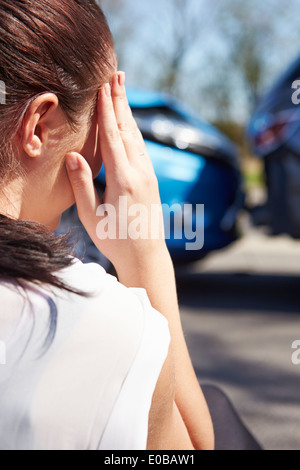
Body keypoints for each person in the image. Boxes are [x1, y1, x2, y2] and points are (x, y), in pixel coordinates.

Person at [0, 0, 214, 450]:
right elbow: (194, 446)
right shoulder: (94, 322)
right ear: (39, 125)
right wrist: (147, 255)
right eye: (107, 115)